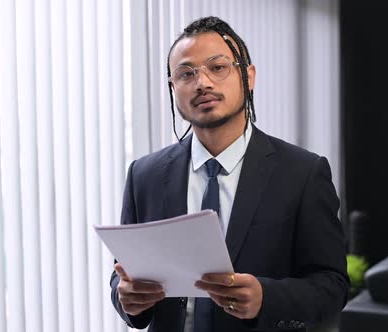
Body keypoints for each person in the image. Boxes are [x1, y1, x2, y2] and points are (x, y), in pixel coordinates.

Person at [110, 16, 348, 332]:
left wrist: (267, 297)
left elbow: (331, 285)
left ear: (248, 77)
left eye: (218, 67)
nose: (202, 83)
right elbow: (124, 272)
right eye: (186, 74)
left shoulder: (303, 173)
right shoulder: (145, 175)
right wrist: (125, 296)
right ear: (173, 87)